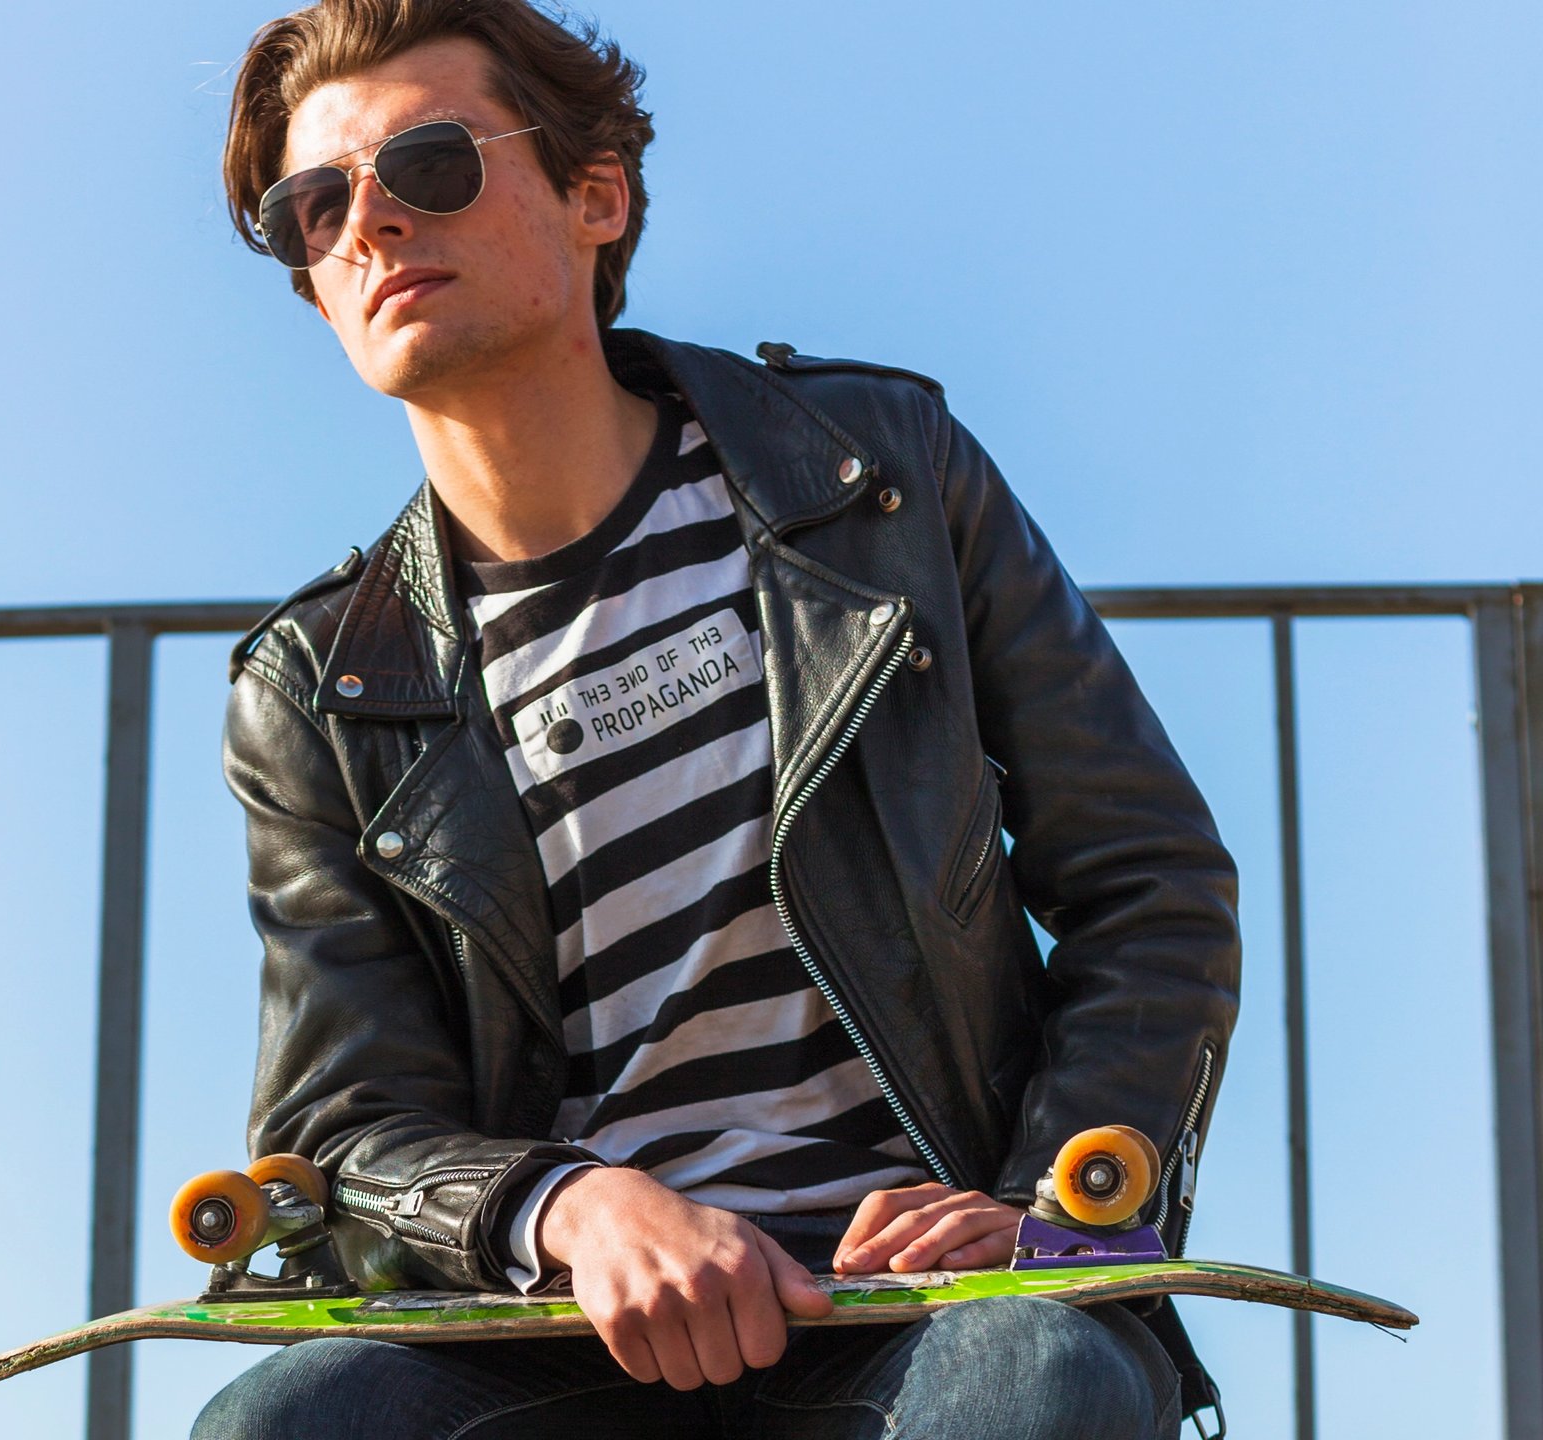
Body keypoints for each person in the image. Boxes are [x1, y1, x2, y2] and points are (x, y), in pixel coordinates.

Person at [195, 2, 1240, 1435]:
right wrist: (573, 1207)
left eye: (429, 164)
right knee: (278, 1426)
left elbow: (1149, 882)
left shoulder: (875, 479)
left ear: (596, 196)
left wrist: (1051, 1211)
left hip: (925, 1307)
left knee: (1036, 1379)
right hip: (564, 1332)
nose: (367, 224)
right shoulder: (321, 690)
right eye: (315, 207)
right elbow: (345, 1123)